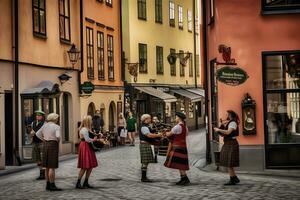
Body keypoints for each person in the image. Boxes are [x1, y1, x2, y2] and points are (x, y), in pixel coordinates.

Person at [76, 115, 104, 189]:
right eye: (91, 120)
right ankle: (78, 183)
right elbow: (87, 139)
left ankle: (86, 182)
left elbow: (92, 136)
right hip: (85, 146)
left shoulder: (88, 129)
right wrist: (95, 140)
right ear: (88, 121)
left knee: (90, 166)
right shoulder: (84, 129)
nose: (92, 121)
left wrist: (98, 135)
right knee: (84, 166)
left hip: (88, 146)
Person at [36, 113, 62, 191]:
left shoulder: (45, 125)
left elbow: (37, 134)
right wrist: (58, 141)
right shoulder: (57, 126)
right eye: (57, 118)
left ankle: (47, 185)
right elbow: (58, 137)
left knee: (46, 166)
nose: (58, 120)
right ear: (54, 119)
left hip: (45, 144)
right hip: (53, 145)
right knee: (52, 166)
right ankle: (52, 185)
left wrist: (44, 139)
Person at [214, 110, 240, 186]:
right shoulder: (230, 122)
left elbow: (228, 132)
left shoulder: (233, 123)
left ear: (231, 114)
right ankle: (234, 178)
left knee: (229, 162)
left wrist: (219, 129)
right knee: (228, 162)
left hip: (232, 143)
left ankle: (233, 179)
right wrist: (221, 126)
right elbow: (224, 134)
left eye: (228, 114)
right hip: (228, 143)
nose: (227, 115)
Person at [164, 112, 190, 186]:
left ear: (179, 118)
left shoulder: (177, 127)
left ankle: (184, 179)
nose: (175, 118)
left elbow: (169, 134)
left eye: (176, 117)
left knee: (179, 164)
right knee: (181, 164)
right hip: (183, 147)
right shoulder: (185, 127)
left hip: (177, 147)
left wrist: (165, 132)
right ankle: (184, 178)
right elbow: (186, 134)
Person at [139, 114, 163, 182]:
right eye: (149, 118)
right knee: (145, 162)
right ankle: (143, 178)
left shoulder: (147, 126)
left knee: (146, 162)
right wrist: (158, 135)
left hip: (146, 144)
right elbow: (149, 135)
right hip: (144, 145)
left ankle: (144, 177)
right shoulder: (144, 127)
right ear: (145, 119)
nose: (150, 120)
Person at [30, 110, 46, 180]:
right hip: (35, 142)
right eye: (37, 115)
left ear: (42, 117)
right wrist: (31, 133)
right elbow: (30, 133)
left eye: (39, 115)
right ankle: (41, 173)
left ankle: (44, 174)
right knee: (38, 159)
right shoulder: (33, 123)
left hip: (42, 142)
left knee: (43, 158)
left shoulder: (45, 123)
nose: (37, 116)